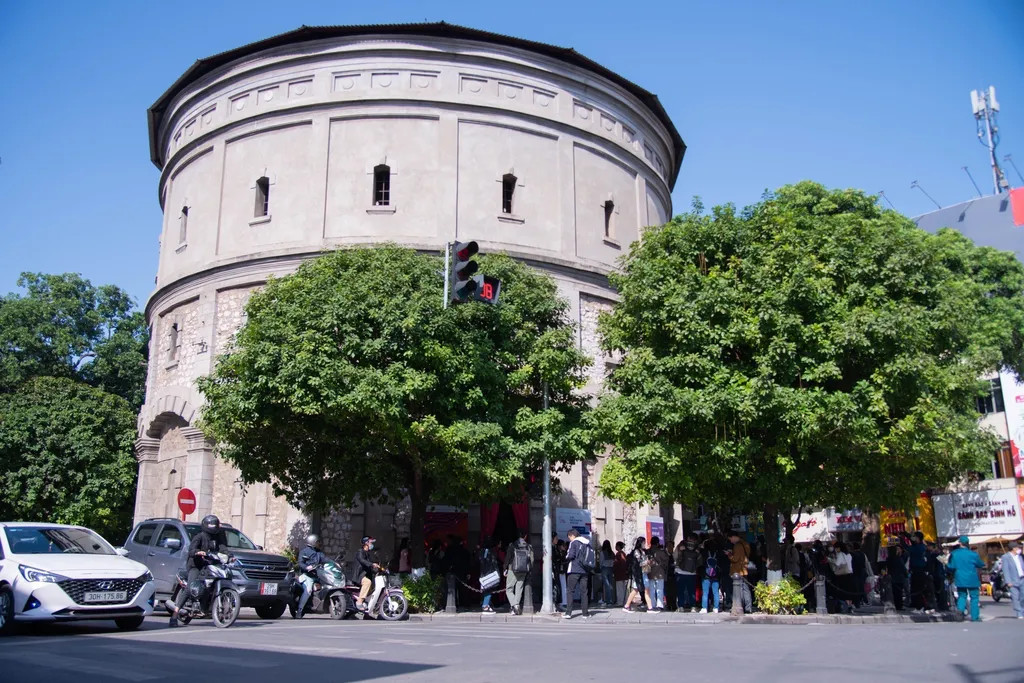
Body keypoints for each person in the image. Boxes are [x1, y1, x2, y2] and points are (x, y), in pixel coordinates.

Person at [168, 514, 222, 626]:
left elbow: (223, 549)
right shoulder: (199, 536)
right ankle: (174, 614)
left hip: (210, 565)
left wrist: (230, 556)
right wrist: (197, 552)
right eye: (211, 525)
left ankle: (206, 606)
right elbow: (191, 550)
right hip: (195, 565)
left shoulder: (217, 538)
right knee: (190, 588)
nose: (213, 528)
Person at [947, 535, 985, 622]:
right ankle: (975, 617)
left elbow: (951, 566)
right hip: (972, 578)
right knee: (974, 598)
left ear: (960, 543)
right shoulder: (973, 554)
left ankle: (960, 614)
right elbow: (980, 564)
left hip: (960, 578)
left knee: (962, 596)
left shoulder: (954, 554)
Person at [295, 534, 327, 618]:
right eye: (317, 542)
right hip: (307, 576)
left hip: (319, 575)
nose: (319, 543)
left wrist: (334, 563)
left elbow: (326, 560)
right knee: (308, 590)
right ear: (313, 542)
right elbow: (300, 563)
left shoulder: (319, 553)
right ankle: (299, 610)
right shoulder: (304, 552)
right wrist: (307, 567)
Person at [562, 529, 592, 619]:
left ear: (572, 535)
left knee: (570, 591)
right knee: (584, 592)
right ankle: (585, 613)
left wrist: (566, 557)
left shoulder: (574, 543)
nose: (569, 539)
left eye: (569, 537)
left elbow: (571, 555)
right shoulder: (587, 543)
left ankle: (568, 613)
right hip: (584, 570)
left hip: (574, 569)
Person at [505, 529, 533, 615]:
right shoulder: (528, 546)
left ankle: (515, 605)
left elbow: (508, 558)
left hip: (512, 569)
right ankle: (515, 608)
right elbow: (531, 560)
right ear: (525, 536)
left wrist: (505, 568)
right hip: (524, 570)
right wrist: (529, 569)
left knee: (509, 589)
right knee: (519, 589)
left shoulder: (512, 545)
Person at [622, 537, 653, 612]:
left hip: (644, 573)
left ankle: (650, 607)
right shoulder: (637, 551)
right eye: (643, 542)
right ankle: (627, 606)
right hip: (639, 574)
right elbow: (639, 563)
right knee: (637, 590)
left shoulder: (644, 551)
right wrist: (647, 562)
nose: (644, 544)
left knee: (645, 589)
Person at [908, 532, 936, 612]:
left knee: (919, 589)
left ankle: (921, 606)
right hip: (918, 570)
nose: (913, 538)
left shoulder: (920, 548)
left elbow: (910, 549)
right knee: (916, 588)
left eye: (915, 537)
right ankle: (919, 605)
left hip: (920, 570)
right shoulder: (919, 547)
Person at [354, 536, 382, 611]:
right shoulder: (360, 552)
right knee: (367, 582)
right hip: (360, 575)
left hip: (366, 575)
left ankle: (367, 602)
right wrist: (372, 564)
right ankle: (359, 602)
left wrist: (378, 569)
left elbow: (369, 564)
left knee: (373, 586)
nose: (372, 544)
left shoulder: (367, 554)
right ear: (366, 543)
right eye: (371, 542)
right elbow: (363, 561)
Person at [728, 530, 752, 613]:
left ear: (734, 537)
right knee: (746, 589)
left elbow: (735, 559)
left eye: (730, 539)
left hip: (738, 570)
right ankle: (748, 607)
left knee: (740, 589)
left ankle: (740, 606)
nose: (731, 541)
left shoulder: (737, 546)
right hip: (744, 569)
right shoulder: (745, 544)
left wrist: (729, 555)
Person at [674, 536, 699, 612]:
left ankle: (681, 606)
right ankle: (693, 607)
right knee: (692, 591)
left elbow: (675, 556)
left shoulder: (681, 546)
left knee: (680, 590)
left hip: (680, 572)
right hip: (692, 573)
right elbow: (699, 561)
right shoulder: (697, 548)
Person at [1000, 541, 1024, 619]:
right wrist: (1008, 581)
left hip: (1022, 579)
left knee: (1023, 596)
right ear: (1013, 548)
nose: (1019, 549)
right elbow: (1005, 570)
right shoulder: (1006, 557)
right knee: (1015, 597)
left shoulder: (1020, 556)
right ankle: (1019, 612)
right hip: (1013, 580)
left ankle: (1022, 610)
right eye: (1018, 547)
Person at [647, 536, 670, 611]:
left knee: (651, 590)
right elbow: (666, 560)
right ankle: (660, 605)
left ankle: (652, 604)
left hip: (650, 572)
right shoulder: (661, 552)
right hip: (660, 572)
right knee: (659, 589)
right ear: (657, 543)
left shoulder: (647, 551)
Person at [478, 537, 501, 613]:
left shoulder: (481, 551)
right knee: (489, 589)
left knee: (485, 589)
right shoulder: (491, 552)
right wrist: (498, 572)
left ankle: (486, 603)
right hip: (490, 573)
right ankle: (485, 605)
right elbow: (494, 563)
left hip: (483, 573)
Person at [699, 539, 721, 614]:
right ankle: (716, 608)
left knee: (705, 592)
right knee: (716, 592)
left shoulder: (704, 553)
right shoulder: (718, 553)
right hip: (715, 576)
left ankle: (704, 608)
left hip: (706, 576)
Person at [885, 544, 909, 610]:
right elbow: (903, 568)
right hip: (899, 578)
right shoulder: (898, 559)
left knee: (894, 592)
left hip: (892, 577)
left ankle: (895, 604)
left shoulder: (889, 559)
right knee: (899, 593)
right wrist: (906, 575)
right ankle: (899, 606)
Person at [598, 540, 615, 606]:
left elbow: (601, 561)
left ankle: (608, 601)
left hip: (604, 568)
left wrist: (600, 567)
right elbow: (614, 561)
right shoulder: (612, 553)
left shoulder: (602, 553)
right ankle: (612, 599)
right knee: (610, 584)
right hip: (611, 568)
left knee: (606, 585)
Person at [613, 541, 629, 606]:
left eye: (616, 546)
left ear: (618, 546)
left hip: (619, 574)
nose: (615, 547)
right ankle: (625, 601)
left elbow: (621, 563)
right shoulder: (623, 553)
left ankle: (620, 602)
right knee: (624, 589)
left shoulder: (619, 554)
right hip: (623, 574)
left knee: (619, 589)